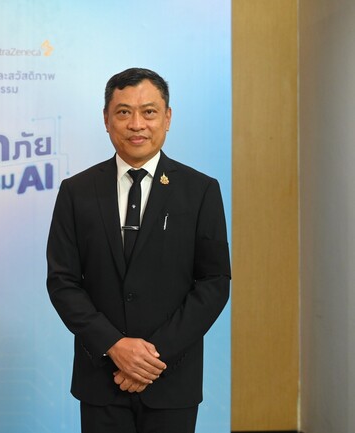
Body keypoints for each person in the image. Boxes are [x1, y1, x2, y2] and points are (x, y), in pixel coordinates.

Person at [46, 67, 231, 433]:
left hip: (171, 378)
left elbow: (214, 282)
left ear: (167, 117)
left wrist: (151, 357)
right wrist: (114, 345)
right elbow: (62, 282)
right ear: (106, 119)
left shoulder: (200, 191)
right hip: (101, 377)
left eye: (149, 112)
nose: (136, 124)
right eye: (123, 112)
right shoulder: (76, 191)